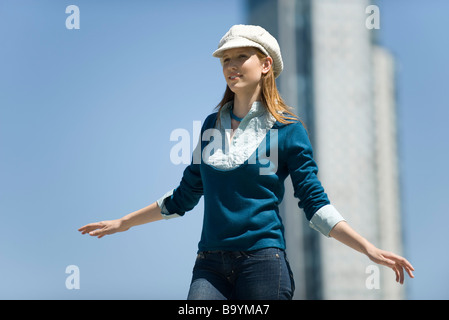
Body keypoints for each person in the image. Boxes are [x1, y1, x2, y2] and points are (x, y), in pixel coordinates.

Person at [78, 25, 414, 300]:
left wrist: (368, 248)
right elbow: (183, 197)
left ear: (266, 64)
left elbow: (314, 204)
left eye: (241, 56)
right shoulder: (211, 126)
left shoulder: (288, 131)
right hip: (209, 265)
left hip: (263, 262)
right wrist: (124, 222)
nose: (231, 66)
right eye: (225, 60)